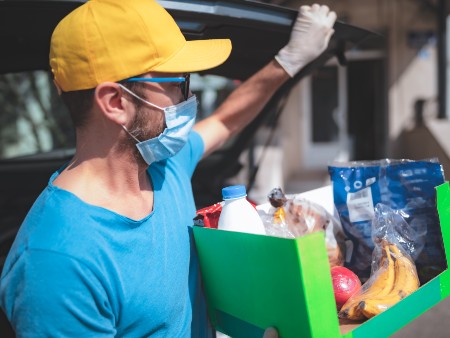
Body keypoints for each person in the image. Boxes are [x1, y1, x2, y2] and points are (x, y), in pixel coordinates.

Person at [0, 0, 336, 337]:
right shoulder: (57, 262)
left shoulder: (163, 165)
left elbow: (224, 120)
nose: (189, 99)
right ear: (115, 102)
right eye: (178, 83)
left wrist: (289, 61)